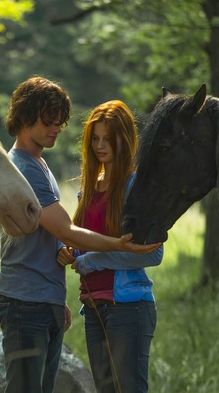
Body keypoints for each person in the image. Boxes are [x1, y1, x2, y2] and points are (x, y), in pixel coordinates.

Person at [0, 77, 161, 393]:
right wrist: (86, 252)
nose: (56, 127)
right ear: (26, 117)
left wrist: (72, 266)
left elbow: (150, 251)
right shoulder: (31, 171)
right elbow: (68, 231)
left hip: (114, 304)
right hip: (51, 303)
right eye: (49, 121)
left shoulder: (42, 166)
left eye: (60, 122)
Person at [62, 100, 163, 393]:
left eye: (108, 138)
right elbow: (83, 240)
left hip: (128, 308)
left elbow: (154, 252)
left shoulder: (136, 187)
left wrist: (94, 260)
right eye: (95, 138)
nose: (99, 145)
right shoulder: (89, 188)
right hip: (92, 308)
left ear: (125, 139)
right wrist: (70, 251)